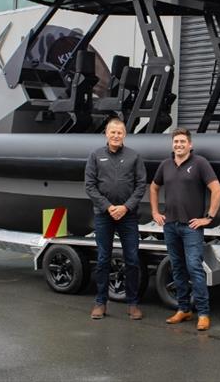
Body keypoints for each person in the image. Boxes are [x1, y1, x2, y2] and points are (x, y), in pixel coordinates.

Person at [149, 127, 220, 331]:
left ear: (190, 145)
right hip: (170, 225)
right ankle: (183, 309)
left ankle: (204, 313)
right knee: (177, 268)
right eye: (176, 142)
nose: (179, 145)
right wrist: (155, 212)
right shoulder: (165, 165)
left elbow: (217, 190)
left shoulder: (200, 164)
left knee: (194, 268)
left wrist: (208, 217)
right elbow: (154, 187)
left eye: (183, 142)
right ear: (172, 144)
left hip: (191, 227)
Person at [84, 117, 146, 320]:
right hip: (104, 215)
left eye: (120, 132)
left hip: (128, 216)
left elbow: (140, 186)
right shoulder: (95, 156)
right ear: (106, 134)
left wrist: (126, 207)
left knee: (132, 259)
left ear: (125, 135)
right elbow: (90, 186)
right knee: (103, 258)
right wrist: (108, 207)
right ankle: (100, 302)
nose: (116, 136)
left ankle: (133, 303)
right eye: (113, 132)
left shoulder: (134, 156)